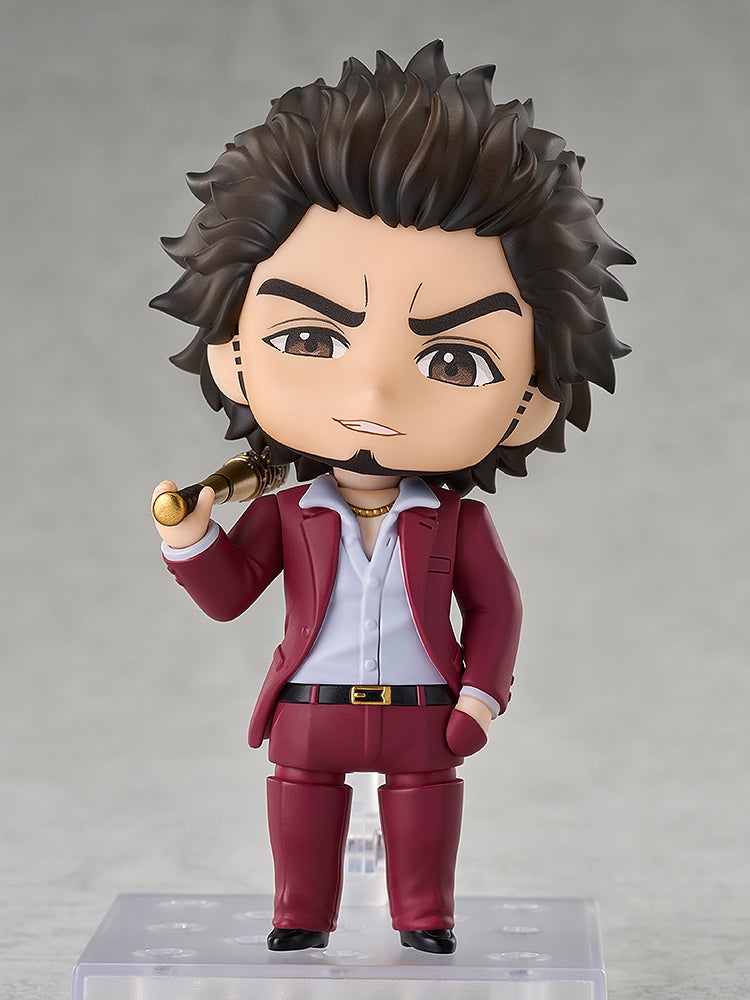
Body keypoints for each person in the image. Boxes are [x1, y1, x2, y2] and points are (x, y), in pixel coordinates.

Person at [150, 40, 633, 954]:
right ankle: (299, 915)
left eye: (453, 360)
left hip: (422, 709)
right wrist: (191, 537)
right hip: (311, 706)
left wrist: (480, 699)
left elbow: (496, 610)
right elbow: (229, 596)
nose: (372, 397)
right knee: (301, 802)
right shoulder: (286, 512)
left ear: (531, 403)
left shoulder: (458, 521)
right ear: (232, 354)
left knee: (425, 808)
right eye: (309, 340)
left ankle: (425, 919)